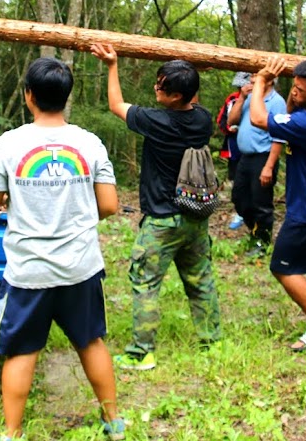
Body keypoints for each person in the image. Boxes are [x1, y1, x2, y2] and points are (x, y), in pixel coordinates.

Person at [0, 58, 125, 441]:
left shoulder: (9, 143)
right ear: (66, 96)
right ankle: (114, 424)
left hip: (28, 272)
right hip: (80, 266)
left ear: (29, 95)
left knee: (21, 352)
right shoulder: (89, 142)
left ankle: (11, 434)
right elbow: (109, 205)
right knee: (90, 342)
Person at [90, 43, 220, 370]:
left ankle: (141, 352)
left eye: (161, 85)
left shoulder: (157, 121)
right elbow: (193, 101)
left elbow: (116, 104)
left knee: (145, 282)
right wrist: (189, 74)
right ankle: (211, 344)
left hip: (162, 221)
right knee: (200, 280)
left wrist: (111, 64)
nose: (155, 87)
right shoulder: (202, 119)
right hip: (195, 216)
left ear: (176, 96)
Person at [249, 56, 306, 351]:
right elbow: (288, 116)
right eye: (293, 87)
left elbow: (258, 119)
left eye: (300, 90)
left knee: (282, 267)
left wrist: (261, 82)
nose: (293, 92)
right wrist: (293, 98)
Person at [227, 68, 287, 255]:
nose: (251, 80)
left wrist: (269, 167)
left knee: (261, 202)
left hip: (263, 157)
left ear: (269, 81)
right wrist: (242, 98)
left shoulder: (276, 102)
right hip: (245, 158)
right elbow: (231, 121)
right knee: (239, 198)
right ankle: (255, 231)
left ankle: (262, 242)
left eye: (255, 77)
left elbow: (279, 138)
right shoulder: (250, 98)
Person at [218, 74, 246, 230]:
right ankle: (239, 212)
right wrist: (228, 129)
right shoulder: (232, 99)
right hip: (234, 147)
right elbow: (221, 120)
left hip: (254, 148)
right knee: (236, 180)